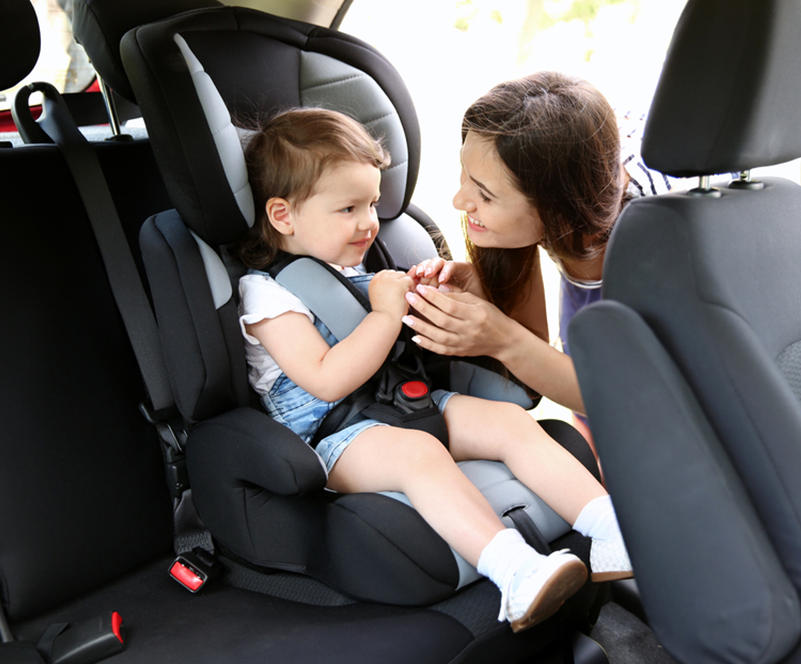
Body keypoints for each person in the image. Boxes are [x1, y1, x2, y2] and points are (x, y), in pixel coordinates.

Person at [229, 107, 632, 633]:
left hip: (404, 404)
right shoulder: (266, 294)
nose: (369, 222)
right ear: (283, 216)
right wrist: (384, 312)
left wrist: (426, 296)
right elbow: (326, 379)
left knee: (507, 423)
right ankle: (514, 573)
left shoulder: (354, 265)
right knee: (420, 453)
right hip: (336, 438)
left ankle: (610, 528)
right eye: (349, 208)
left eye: (372, 203)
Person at [404, 72, 685, 449]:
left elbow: (624, 398)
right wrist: (486, 289)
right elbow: (536, 344)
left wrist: (499, 337)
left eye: (485, 195)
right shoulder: (554, 173)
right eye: (465, 174)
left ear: (558, 211)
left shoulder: (657, 243)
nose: (460, 201)